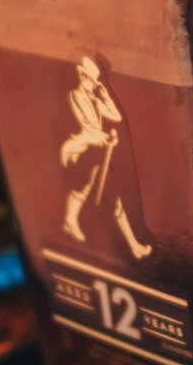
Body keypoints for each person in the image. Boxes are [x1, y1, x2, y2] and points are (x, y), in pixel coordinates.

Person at [59, 52, 153, 262]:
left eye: (95, 83)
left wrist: (105, 96)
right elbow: (88, 127)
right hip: (82, 149)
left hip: (100, 153)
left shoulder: (95, 100)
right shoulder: (76, 96)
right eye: (91, 81)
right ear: (83, 77)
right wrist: (104, 137)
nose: (93, 85)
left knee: (115, 199)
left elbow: (116, 116)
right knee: (83, 187)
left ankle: (134, 246)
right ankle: (69, 220)